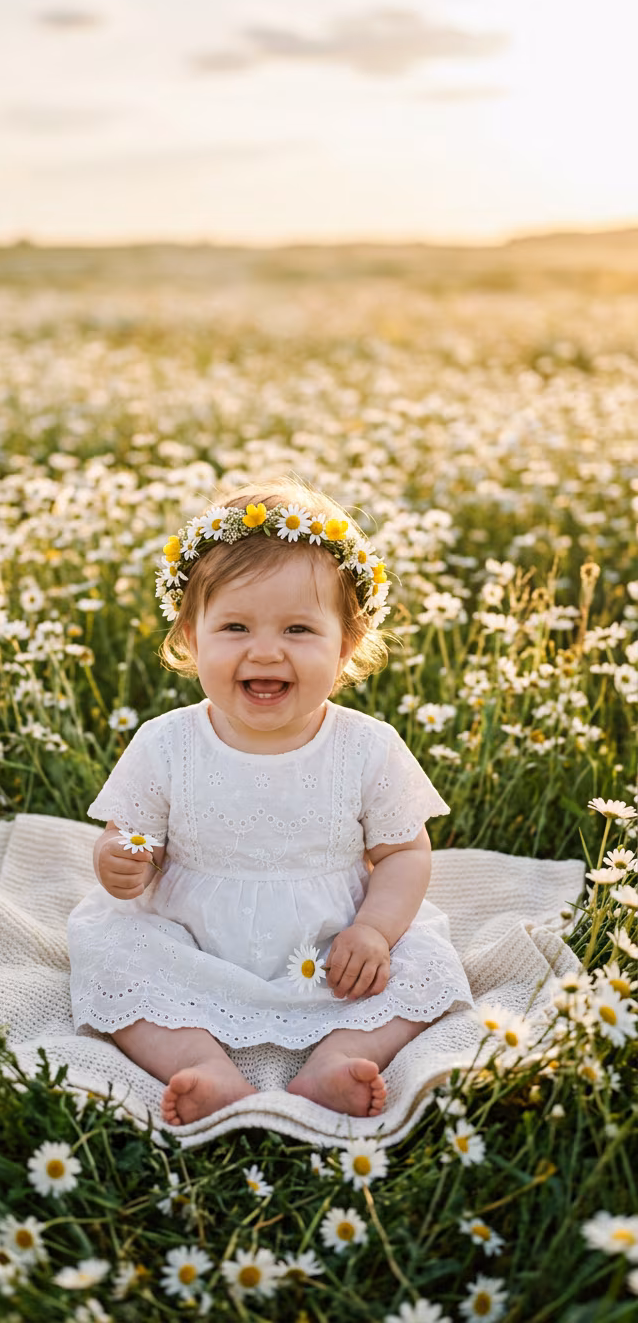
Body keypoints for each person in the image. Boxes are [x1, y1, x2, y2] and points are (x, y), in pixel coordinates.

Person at [67, 478, 473, 1126]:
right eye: (234, 626)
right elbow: (132, 837)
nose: (264, 649)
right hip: (189, 940)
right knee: (111, 952)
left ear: (345, 647)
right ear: (191, 638)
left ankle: (337, 1060)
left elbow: (402, 852)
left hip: (332, 944)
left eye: (298, 628)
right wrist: (118, 859)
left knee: (424, 964)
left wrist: (373, 929)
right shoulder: (167, 743)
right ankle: (200, 1064)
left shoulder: (366, 747)